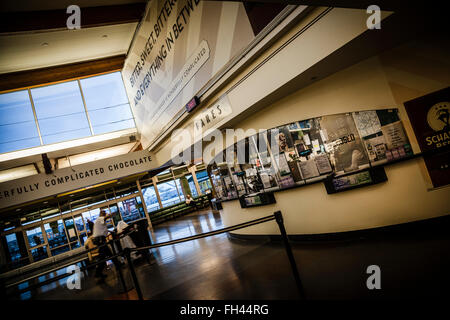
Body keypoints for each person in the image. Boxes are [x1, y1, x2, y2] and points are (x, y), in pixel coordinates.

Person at [92, 210, 120, 281]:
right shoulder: (99, 219)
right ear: (101, 214)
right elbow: (105, 218)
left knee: (109, 254)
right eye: (103, 213)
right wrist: (112, 214)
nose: (105, 214)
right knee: (102, 257)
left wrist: (111, 232)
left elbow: (104, 230)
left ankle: (117, 265)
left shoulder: (100, 221)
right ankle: (98, 273)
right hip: (100, 240)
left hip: (101, 239)